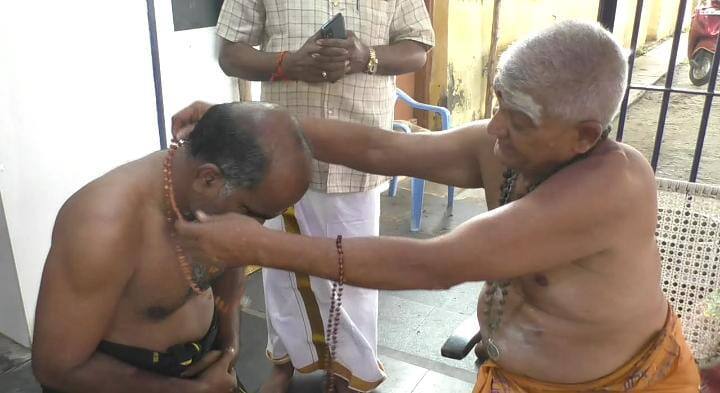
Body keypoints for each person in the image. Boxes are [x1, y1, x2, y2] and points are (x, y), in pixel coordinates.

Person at [173, 21, 702, 392]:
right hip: (511, 377)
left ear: (584, 136)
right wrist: (245, 117)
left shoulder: (613, 185)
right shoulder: (505, 147)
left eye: (518, 120)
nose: (495, 129)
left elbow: (434, 264)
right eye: (498, 105)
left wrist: (259, 245)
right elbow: (385, 149)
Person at [213, 1, 435, 392]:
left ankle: (349, 370)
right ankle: (284, 362)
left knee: (355, 272)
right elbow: (231, 54)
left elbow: (417, 48)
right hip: (283, 152)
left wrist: (366, 56)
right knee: (281, 272)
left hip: (360, 151)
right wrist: (286, 63)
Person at [32, 102, 312, 393]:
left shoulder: (222, 205)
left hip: (206, 370)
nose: (255, 232)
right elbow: (55, 368)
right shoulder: (102, 224)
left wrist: (229, 349)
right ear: (208, 179)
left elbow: (231, 269)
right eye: (257, 215)